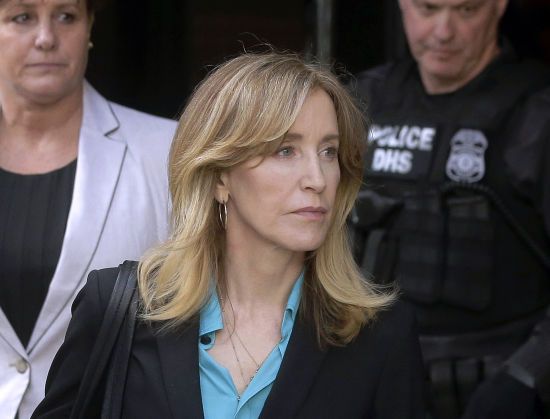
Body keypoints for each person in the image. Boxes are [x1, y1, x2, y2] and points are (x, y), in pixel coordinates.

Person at [32, 51, 426, 418]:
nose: (317, 179)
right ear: (220, 177)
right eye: (285, 150)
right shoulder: (120, 309)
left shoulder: (382, 336)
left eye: (328, 152)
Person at [350, 0, 550, 418]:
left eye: (466, 10)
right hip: (369, 380)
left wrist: (528, 377)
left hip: (489, 388)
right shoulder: (362, 100)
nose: (443, 32)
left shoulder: (535, 114)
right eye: (428, 8)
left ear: (498, 6)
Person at [0, 0, 176, 417]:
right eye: (22, 17)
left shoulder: (167, 150)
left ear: (90, 26)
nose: (46, 38)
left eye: (66, 16)